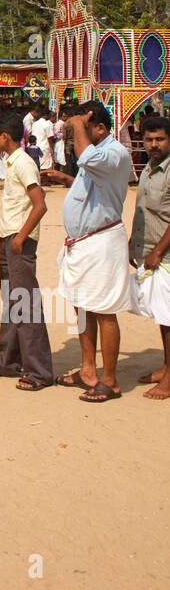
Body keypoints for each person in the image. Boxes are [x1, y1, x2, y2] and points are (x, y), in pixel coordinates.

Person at [46, 101, 133, 402]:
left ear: (96, 125)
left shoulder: (113, 151)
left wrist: (79, 125)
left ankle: (110, 380)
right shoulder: (92, 155)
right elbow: (93, 187)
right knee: (82, 305)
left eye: (79, 126)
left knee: (104, 310)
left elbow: (90, 160)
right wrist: (66, 180)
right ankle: (87, 370)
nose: (72, 132)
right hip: (82, 244)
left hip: (102, 243)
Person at [0, 112, 53, 391]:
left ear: (5, 136)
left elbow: (39, 204)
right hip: (9, 236)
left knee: (25, 302)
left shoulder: (22, 163)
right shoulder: (13, 163)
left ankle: (39, 370)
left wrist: (21, 237)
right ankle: (9, 360)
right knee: (12, 301)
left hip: (18, 239)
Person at [128, 114, 170, 400]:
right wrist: (135, 243)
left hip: (164, 254)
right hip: (149, 249)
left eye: (160, 139)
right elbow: (142, 207)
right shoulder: (147, 168)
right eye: (149, 139)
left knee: (169, 319)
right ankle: (166, 366)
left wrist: (157, 251)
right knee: (162, 315)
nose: (153, 144)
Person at [31, 106, 55, 172]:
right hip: (45, 147)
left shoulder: (34, 124)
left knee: (38, 164)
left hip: (35, 146)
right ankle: (44, 179)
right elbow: (49, 137)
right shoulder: (47, 124)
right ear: (46, 115)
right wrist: (52, 148)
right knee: (45, 165)